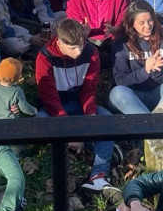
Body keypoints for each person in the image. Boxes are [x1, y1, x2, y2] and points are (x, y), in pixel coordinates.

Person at [36, 19, 116, 191]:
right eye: (72, 47)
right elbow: (49, 98)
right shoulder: (45, 57)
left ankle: (99, 174)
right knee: (41, 123)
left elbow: (89, 90)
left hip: (80, 104)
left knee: (107, 121)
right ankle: (94, 146)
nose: (79, 51)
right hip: (54, 109)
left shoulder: (91, 52)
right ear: (59, 41)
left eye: (81, 44)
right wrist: (71, 131)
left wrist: (86, 124)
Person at [109, 0, 163, 114]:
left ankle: (157, 119)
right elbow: (121, 81)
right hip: (133, 96)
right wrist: (145, 71)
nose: (147, 26)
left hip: (158, 93)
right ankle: (154, 124)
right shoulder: (122, 44)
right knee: (116, 92)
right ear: (132, 24)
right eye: (142, 22)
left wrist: (156, 70)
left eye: (150, 20)